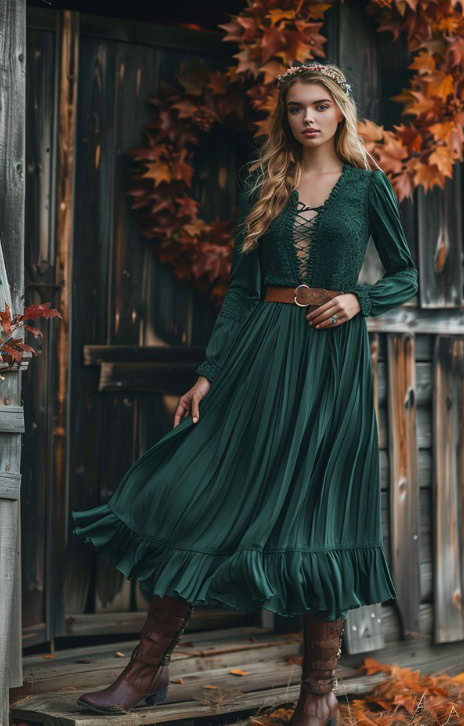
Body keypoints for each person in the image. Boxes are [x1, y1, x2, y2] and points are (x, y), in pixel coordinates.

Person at [72, 61, 419, 725]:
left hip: (330, 362)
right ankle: (147, 669)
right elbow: (240, 288)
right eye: (296, 108)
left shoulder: (370, 187)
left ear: (340, 110)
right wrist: (210, 372)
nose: (309, 117)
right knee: (200, 495)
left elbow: (405, 277)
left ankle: (319, 691)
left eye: (320, 105)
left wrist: (355, 299)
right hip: (261, 353)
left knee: (322, 513)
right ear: (284, 116)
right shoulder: (265, 182)